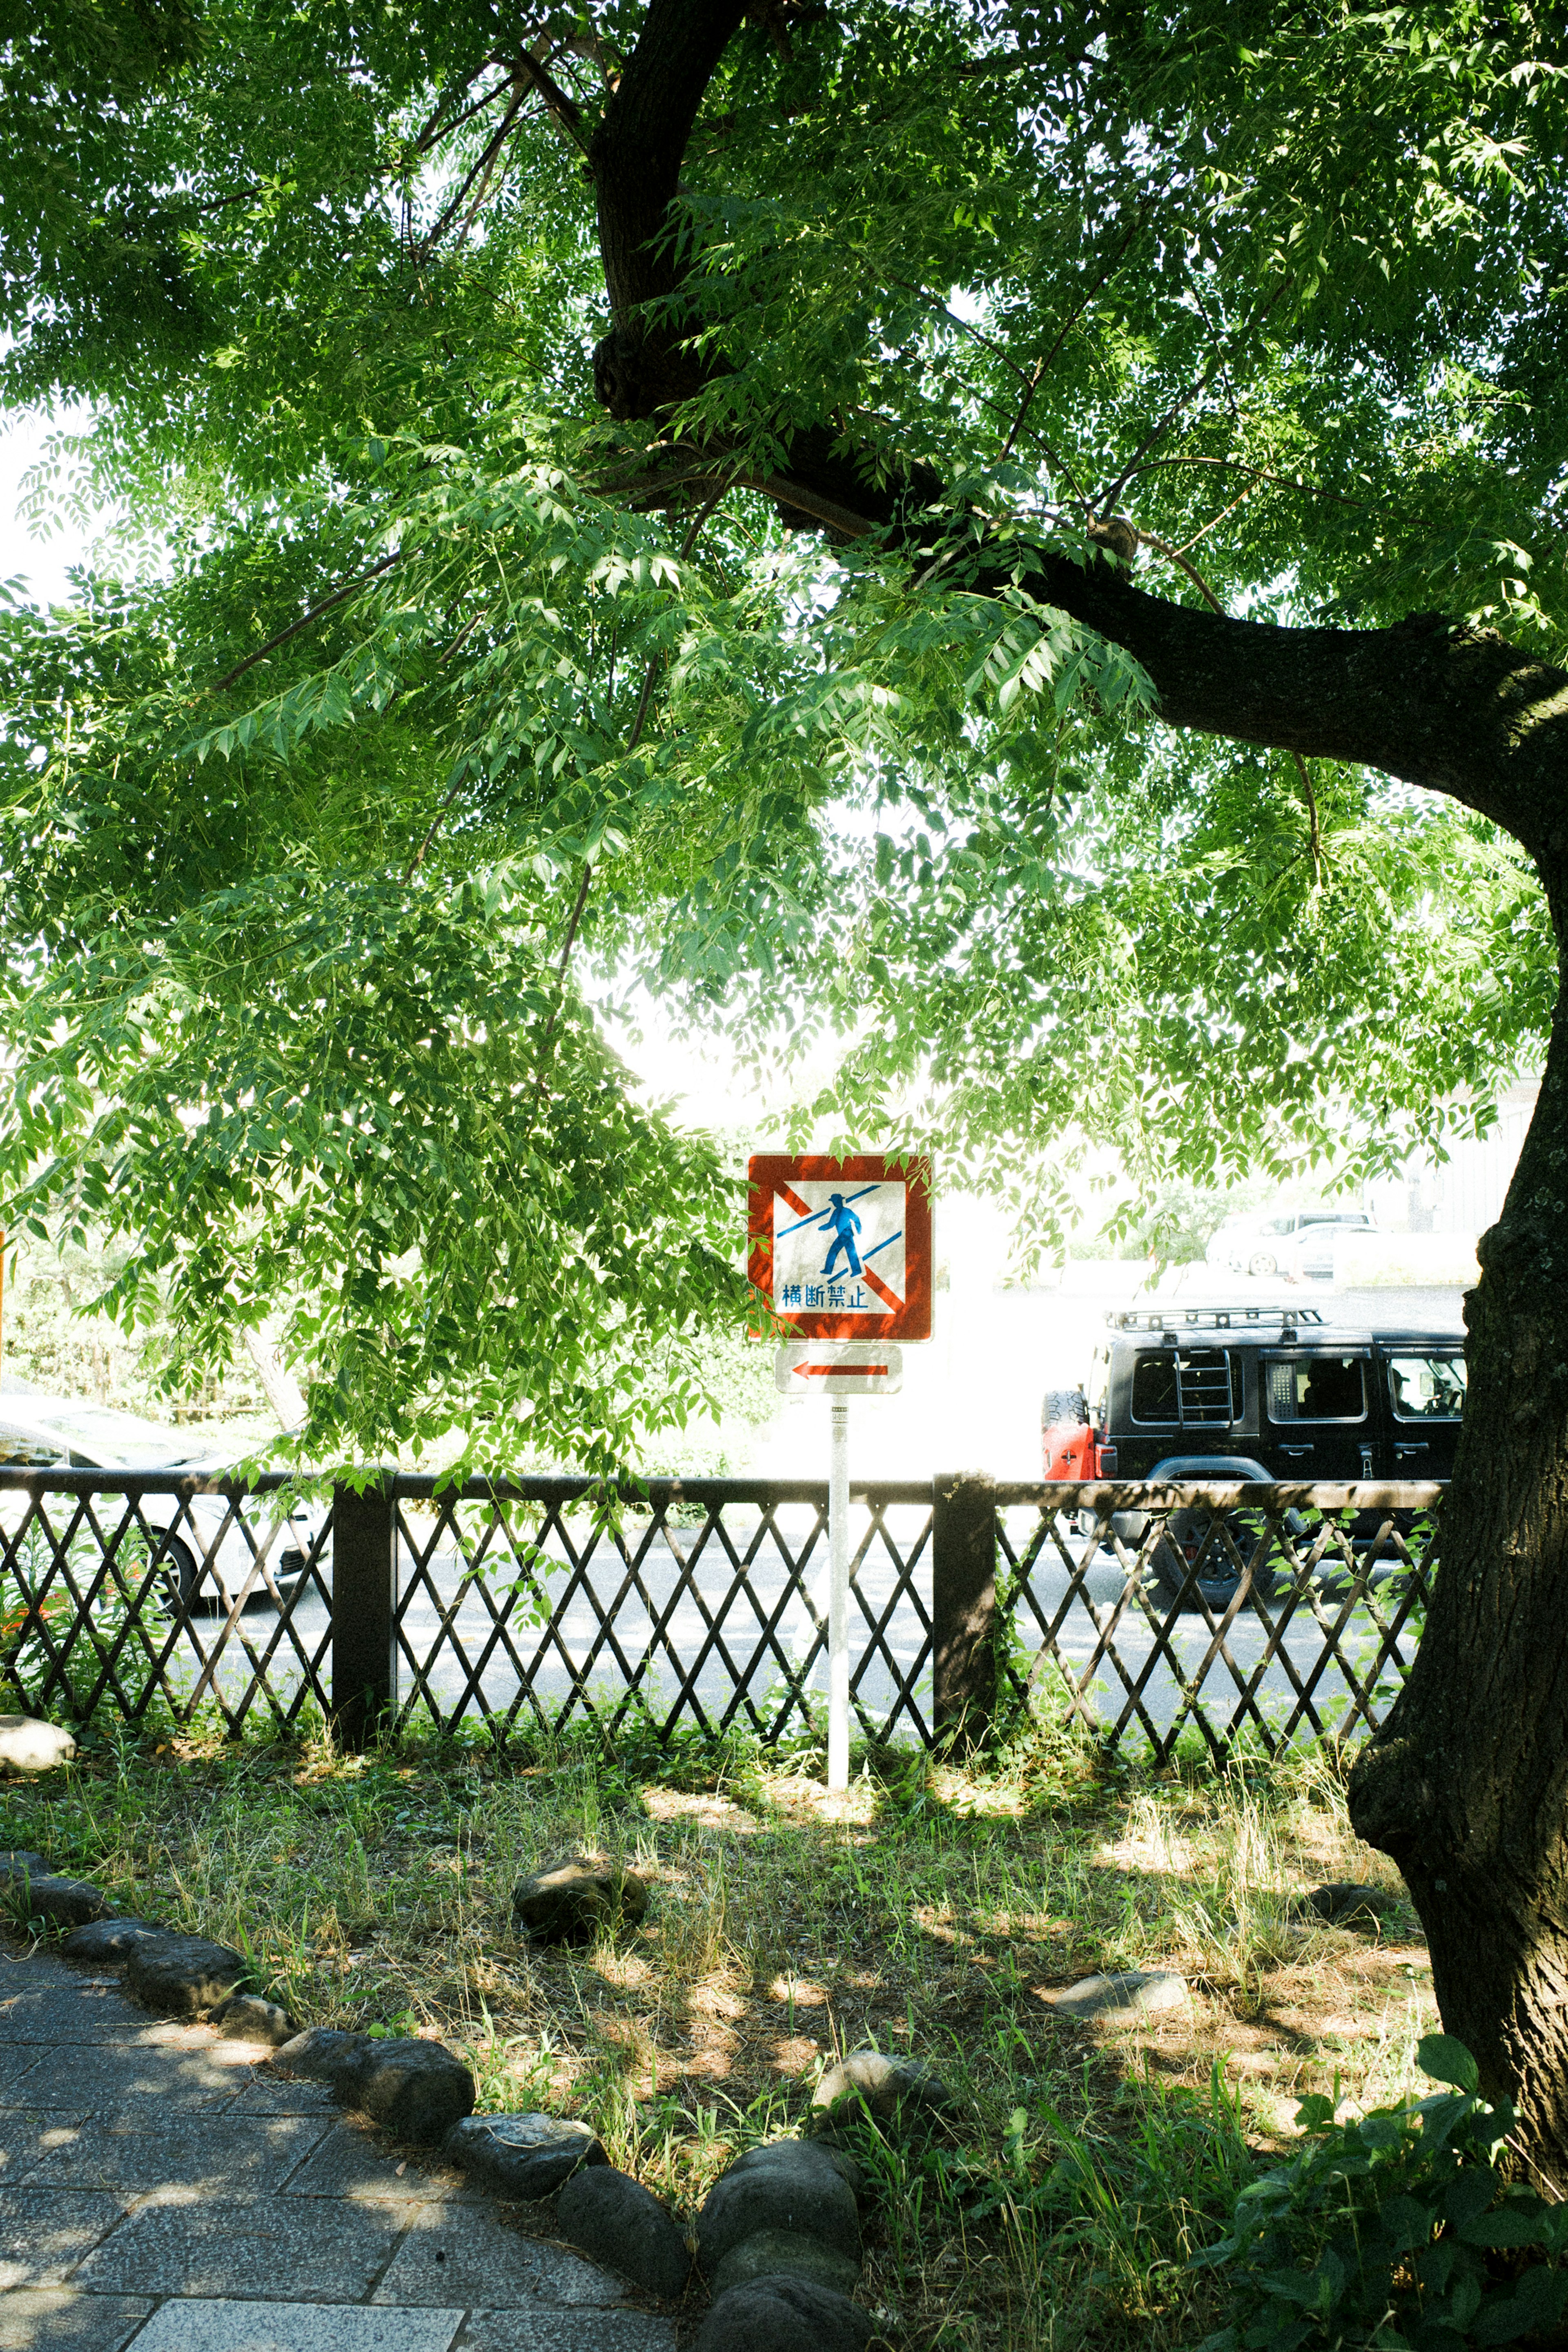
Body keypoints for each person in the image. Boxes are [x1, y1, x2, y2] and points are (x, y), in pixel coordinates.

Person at [818, 1193, 863, 1279]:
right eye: (834, 1202)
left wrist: (858, 1230)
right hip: (846, 1234)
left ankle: (828, 1270)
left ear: (839, 1201)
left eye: (836, 1201)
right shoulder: (837, 1212)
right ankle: (857, 1270)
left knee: (834, 1251)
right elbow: (831, 1224)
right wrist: (822, 1228)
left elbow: (856, 1220)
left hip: (846, 1233)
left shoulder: (846, 1211)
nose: (835, 1203)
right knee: (851, 1252)